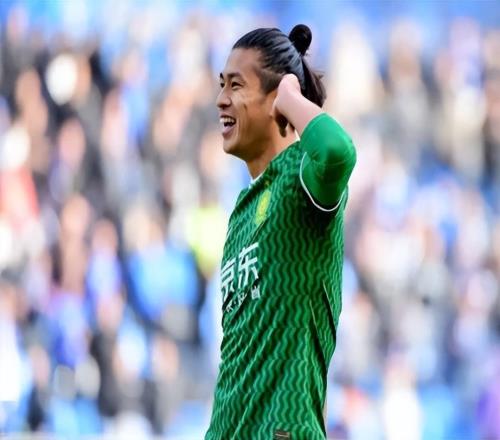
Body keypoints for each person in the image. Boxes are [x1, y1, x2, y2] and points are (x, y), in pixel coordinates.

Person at [205, 24, 356, 440]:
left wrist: (291, 98)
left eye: (236, 85)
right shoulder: (240, 213)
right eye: (221, 84)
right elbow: (238, 360)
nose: (221, 99)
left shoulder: (303, 177)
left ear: (276, 99)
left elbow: (337, 152)